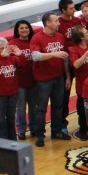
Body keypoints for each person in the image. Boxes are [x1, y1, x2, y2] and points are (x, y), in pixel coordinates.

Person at [29, 12, 69, 147]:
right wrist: (53, 54)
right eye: (56, 21)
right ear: (48, 23)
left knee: (58, 106)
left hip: (58, 77)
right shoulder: (37, 38)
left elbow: (64, 59)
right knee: (41, 108)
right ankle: (40, 135)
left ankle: (56, 131)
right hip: (43, 80)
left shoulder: (60, 37)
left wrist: (67, 76)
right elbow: (35, 56)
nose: (59, 23)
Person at [0, 37, 25, 140]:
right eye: (1, 48)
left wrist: (20, 55)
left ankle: (12, 140)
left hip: (12, 93)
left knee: (11, 118)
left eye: (5, 47)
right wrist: (0, 57)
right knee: (0, 119)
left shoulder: (13, 58)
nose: (4, 50)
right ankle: (2, 142)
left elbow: (22, 63)